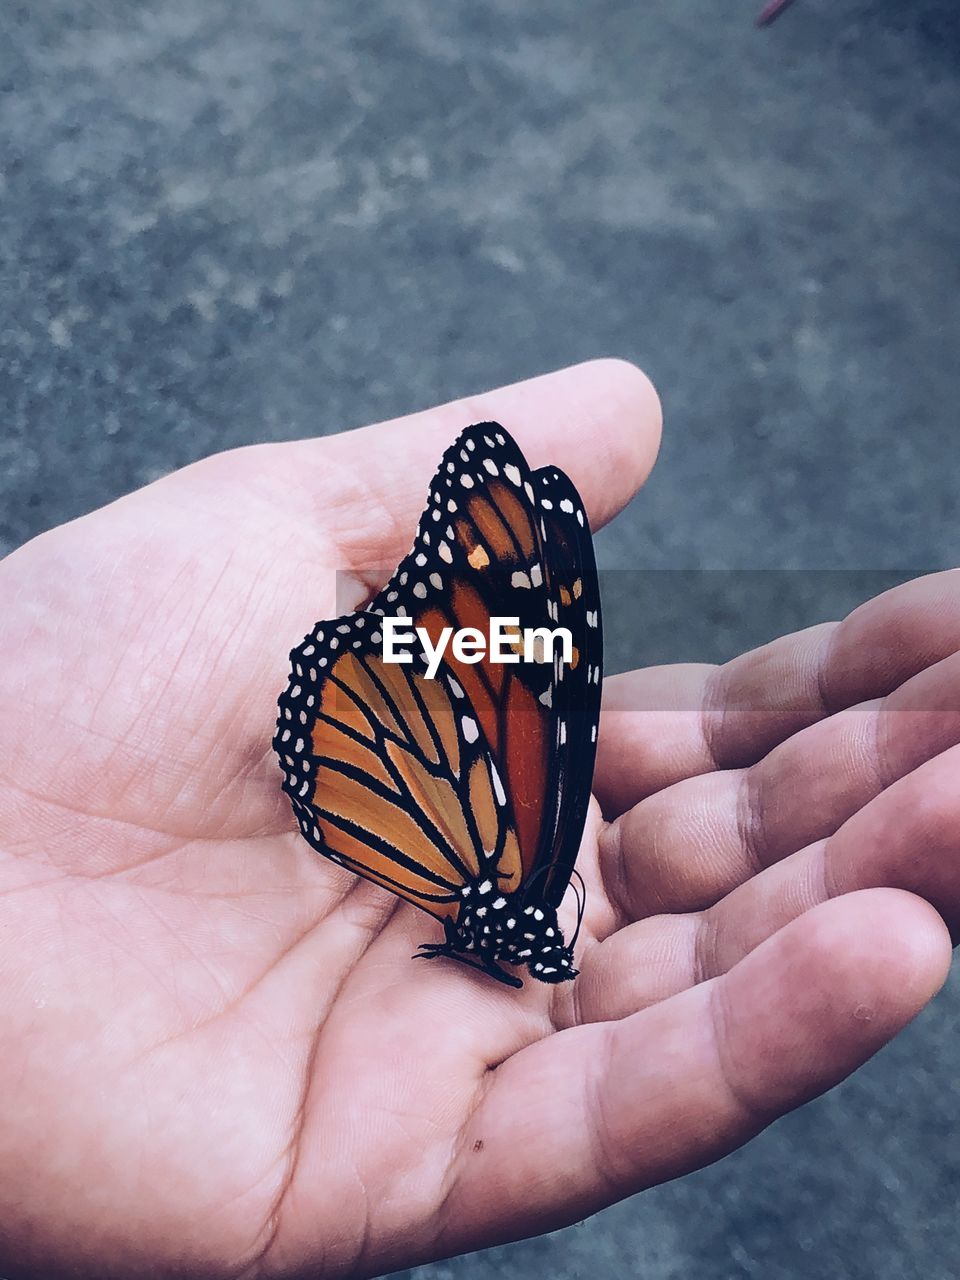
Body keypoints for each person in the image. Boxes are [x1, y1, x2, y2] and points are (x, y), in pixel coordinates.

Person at [0, 358, 954, 1279]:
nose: (544, 954)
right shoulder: (515, 861)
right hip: (381, 729)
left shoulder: (515, 875)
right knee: (534, 748)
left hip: (398, 774)